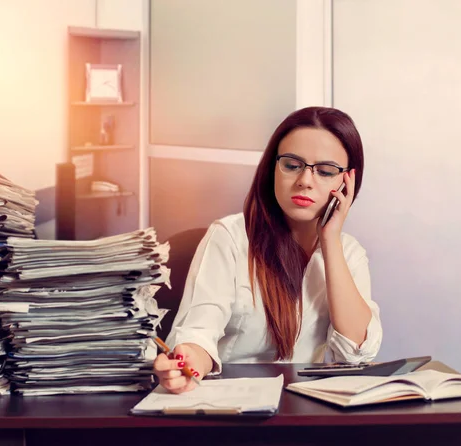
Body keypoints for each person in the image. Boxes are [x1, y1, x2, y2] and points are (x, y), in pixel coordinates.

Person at [153, 106, 383, 394]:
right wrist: (188, 364)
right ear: (272, 168)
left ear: (346, 182)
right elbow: (198, 333)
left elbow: (357, 354)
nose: (305, 181)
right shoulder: (231, 237)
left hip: (300, 408)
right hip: (229, 405)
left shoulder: (348, 253)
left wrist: (330, 239)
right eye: (291, 165)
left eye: (325, 171)